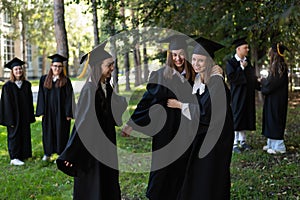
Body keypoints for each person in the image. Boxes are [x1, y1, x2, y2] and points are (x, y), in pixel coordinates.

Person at [122, 34, 196, 200]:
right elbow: (147, 100)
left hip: (187, 129)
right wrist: (132, 123)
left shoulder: (194, 75)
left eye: (181, 54)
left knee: (183, 166)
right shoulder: (161, 75)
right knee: (162, 167)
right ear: (169, 55)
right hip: (166, 129)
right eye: (174, 55)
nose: (178, 58)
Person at [56, 41, 127, 200]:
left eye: (113, 64)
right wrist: (71, 154)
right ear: (97, 67)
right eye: (109, 65)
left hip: (107, 145)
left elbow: (114, 109)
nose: (112, 68)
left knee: (107, 182)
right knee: (94, 184)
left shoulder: (105, 87)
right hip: (93, 150)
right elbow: (82, 126)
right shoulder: (89, 90)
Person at [167, 37, 234, 199]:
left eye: (201, 61)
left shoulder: (216, 83)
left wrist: (180, 105)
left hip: (215, 141)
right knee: (199, 176)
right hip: (204, 138)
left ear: (210, 62)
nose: (196, 64)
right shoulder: (200, 80)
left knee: (210, 178)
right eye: (194, 59)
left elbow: (206, 114)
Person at [36, 54, 75, 161]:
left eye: (59, 66)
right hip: (48, 112)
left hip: (61, 112)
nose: (57, 68)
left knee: (61, 132)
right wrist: (41, 110)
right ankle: (47, 153)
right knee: (48, 132)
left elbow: (69, 98)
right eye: (55, 66)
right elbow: (41, 95)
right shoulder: (44, 79)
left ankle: (60, 154)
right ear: (51, 66)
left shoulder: (66, 81)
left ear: (62, 68)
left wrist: (69, 113)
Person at [226, 37, 261, 153]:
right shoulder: (231, 63)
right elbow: (232, 78)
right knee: (237, 117)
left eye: (247, 47)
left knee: (245, 117)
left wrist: (260, 85)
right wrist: (241, 68)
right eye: (245, 48)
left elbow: (251, 78)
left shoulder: (248, 62)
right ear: (238, 49)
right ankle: (234, 143)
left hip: (248, 96)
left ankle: (243, 141)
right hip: (237, 96)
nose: (248, 50)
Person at [0, 58, 36, 166]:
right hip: (13, 117)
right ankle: (14, 157)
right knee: (14, 135)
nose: (18, 71)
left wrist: (30, 116)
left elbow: (30, 102)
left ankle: (25, 154)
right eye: (16, 69)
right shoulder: (7, 86)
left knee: (25, 134)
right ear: (12, 71)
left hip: (24, 116)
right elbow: (5, 105)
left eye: (20, 69)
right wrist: (9, 120)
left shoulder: (27, 85)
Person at [260, 43, 289, 154]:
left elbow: (272, 84)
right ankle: (271, 143)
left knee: (276, 119)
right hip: (273, 98)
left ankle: (279, 147)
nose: (269, 54)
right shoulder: (276, 65)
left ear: (275, 53)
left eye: (270, 51)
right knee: (270, 118)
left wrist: (263, 81)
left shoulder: (280, 66)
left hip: (278, 99)